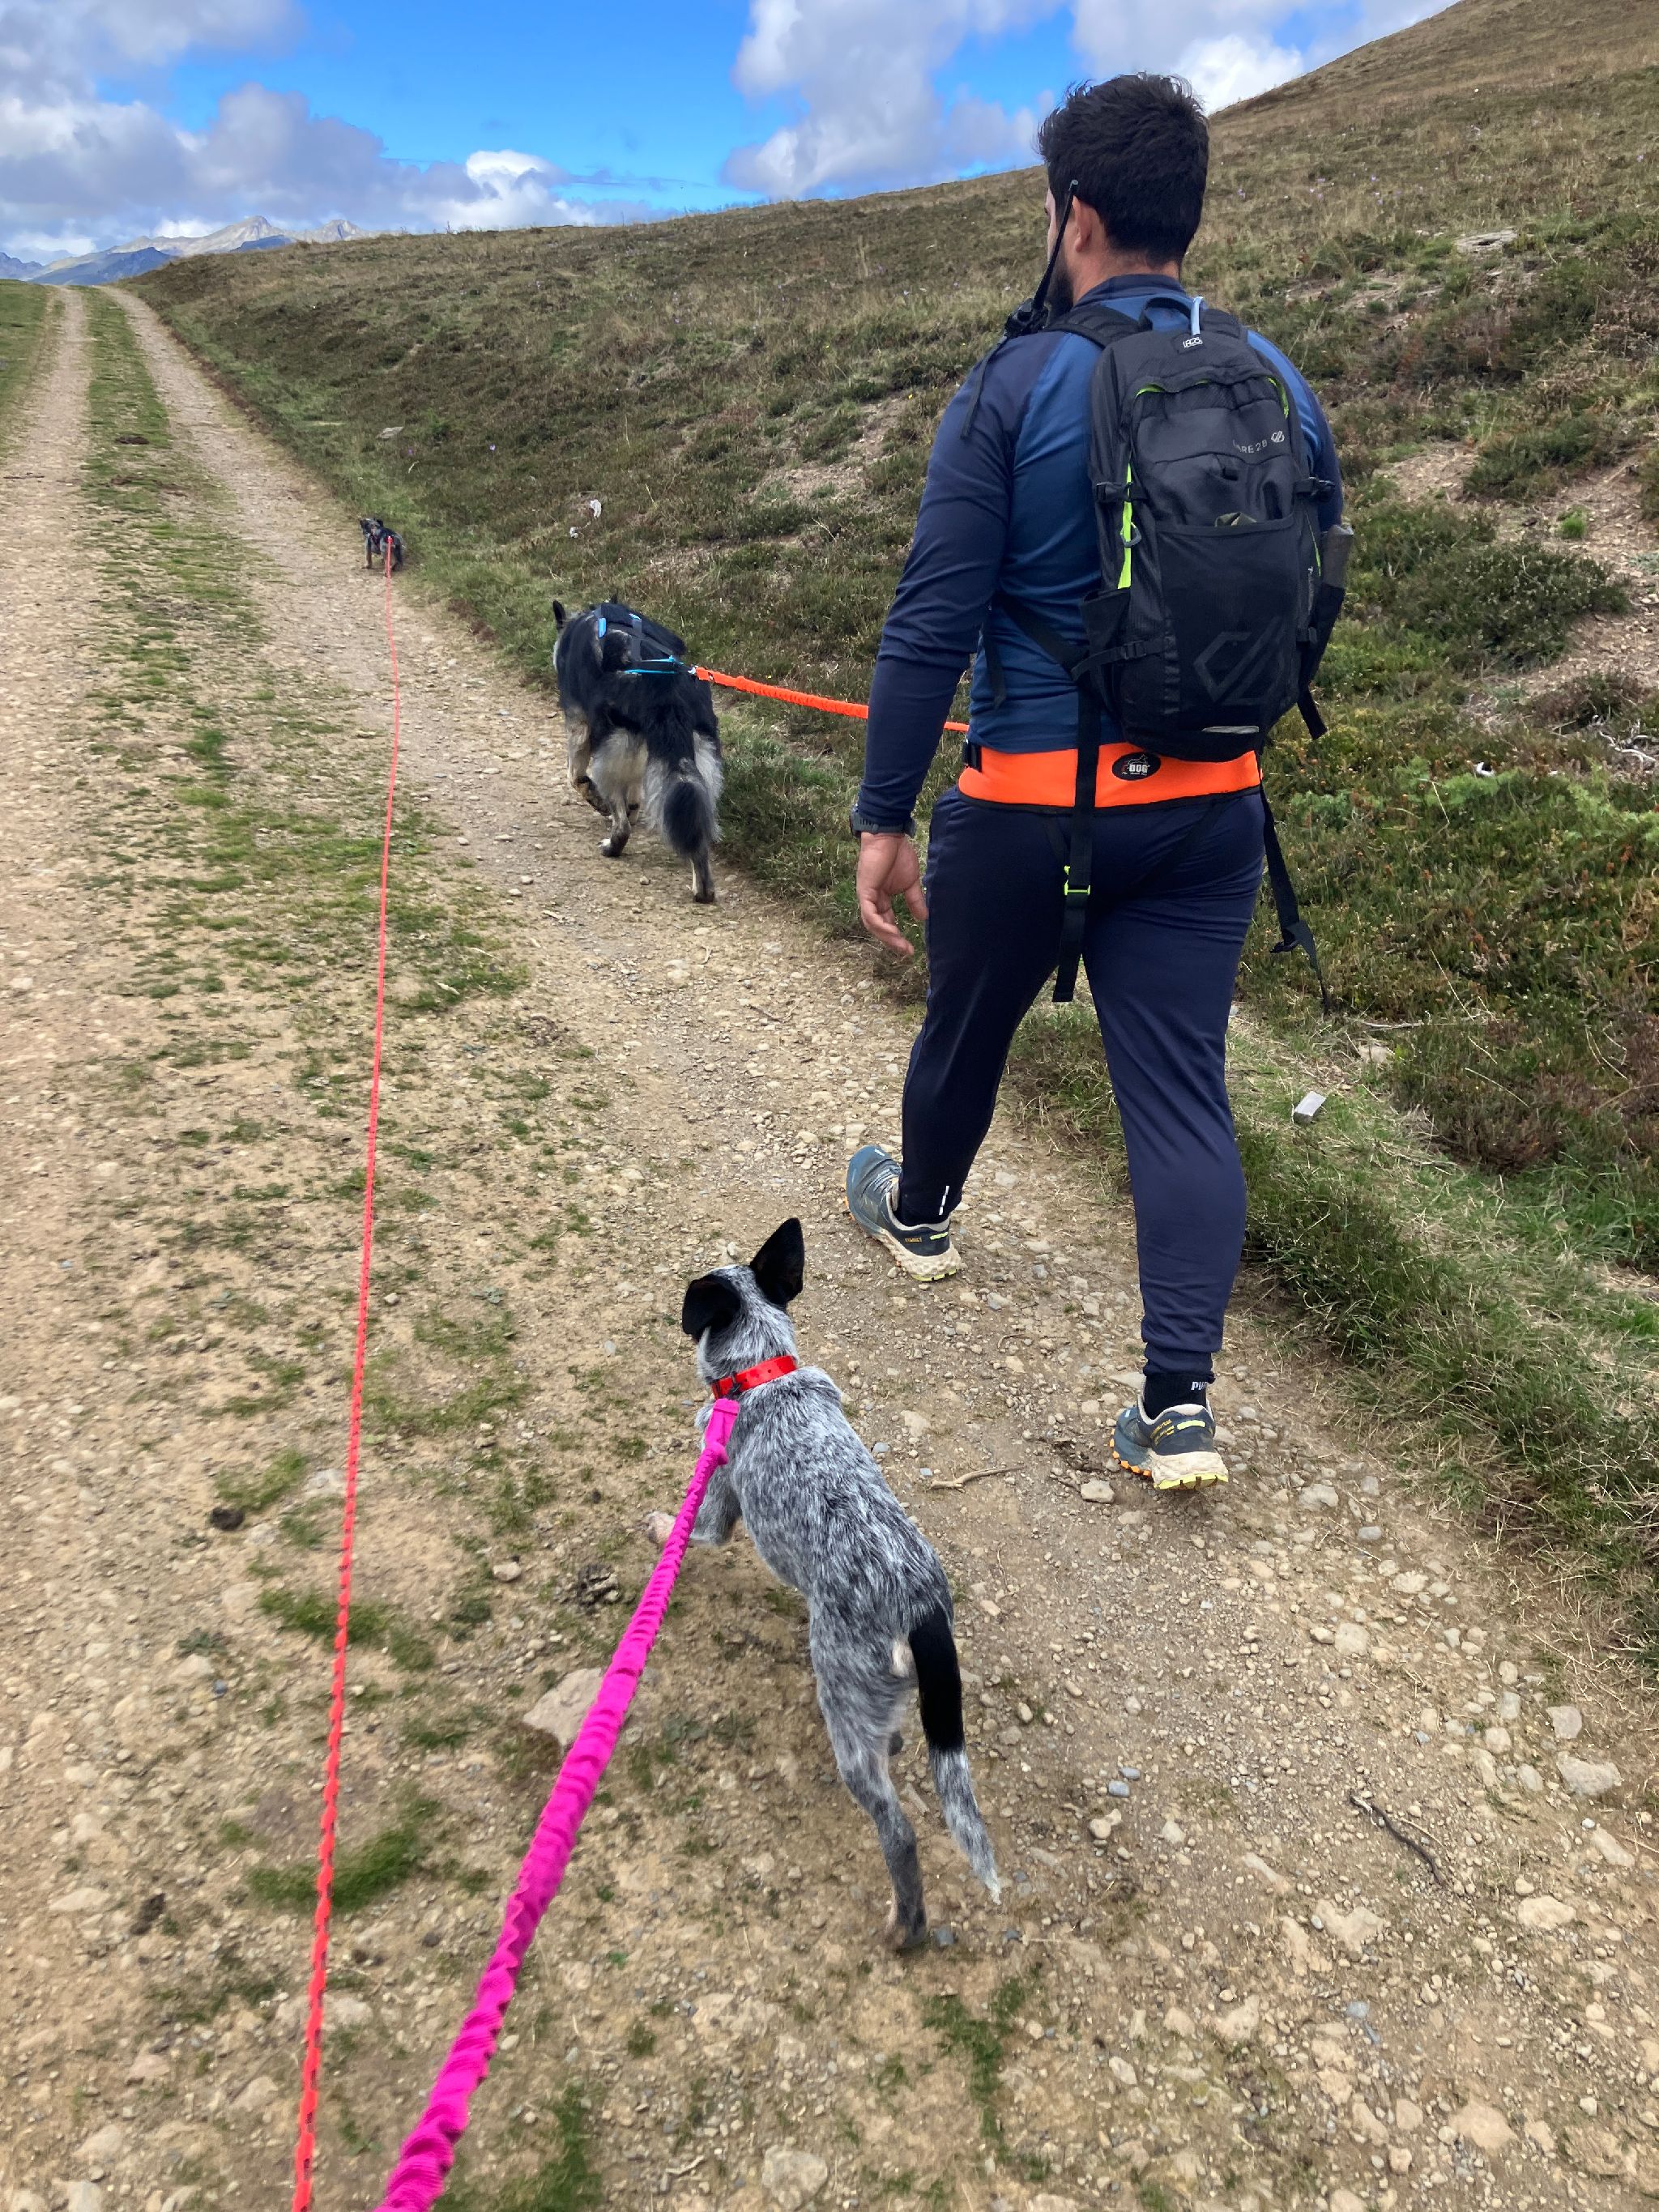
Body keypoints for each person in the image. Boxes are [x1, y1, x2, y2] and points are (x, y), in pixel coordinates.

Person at [843, 73, 1343, 1493]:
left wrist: (884, 816)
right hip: (1210, 809)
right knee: (1182, 1091)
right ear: (1187, 214)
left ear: (1074, 215)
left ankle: (920, 1215)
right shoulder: (1277, 381)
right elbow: (1318, 588)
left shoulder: (1010, 387)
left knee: (965, 1030)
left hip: (1025, 805)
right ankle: (1178, 1407)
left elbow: (930, 623)